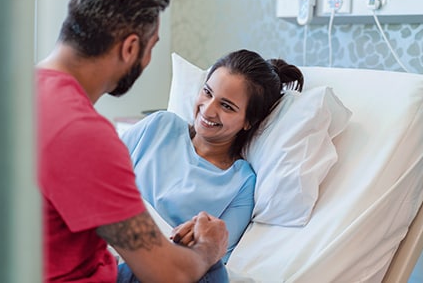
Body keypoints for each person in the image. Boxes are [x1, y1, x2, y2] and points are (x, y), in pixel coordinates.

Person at [36, 0, 230, 283]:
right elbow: (170, 275)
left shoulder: (6, 95)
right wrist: (211, 247)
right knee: (208, 269)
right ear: (130, 47)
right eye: (151, 47)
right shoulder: (85, 135)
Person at [120, 49, 305, 263]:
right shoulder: (158, 125)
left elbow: (217, 261)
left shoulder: (240, 183)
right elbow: (97, 176)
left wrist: (202, 244)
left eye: (226, 106)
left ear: (248, 121)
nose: (208, 110)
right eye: (207, 92)